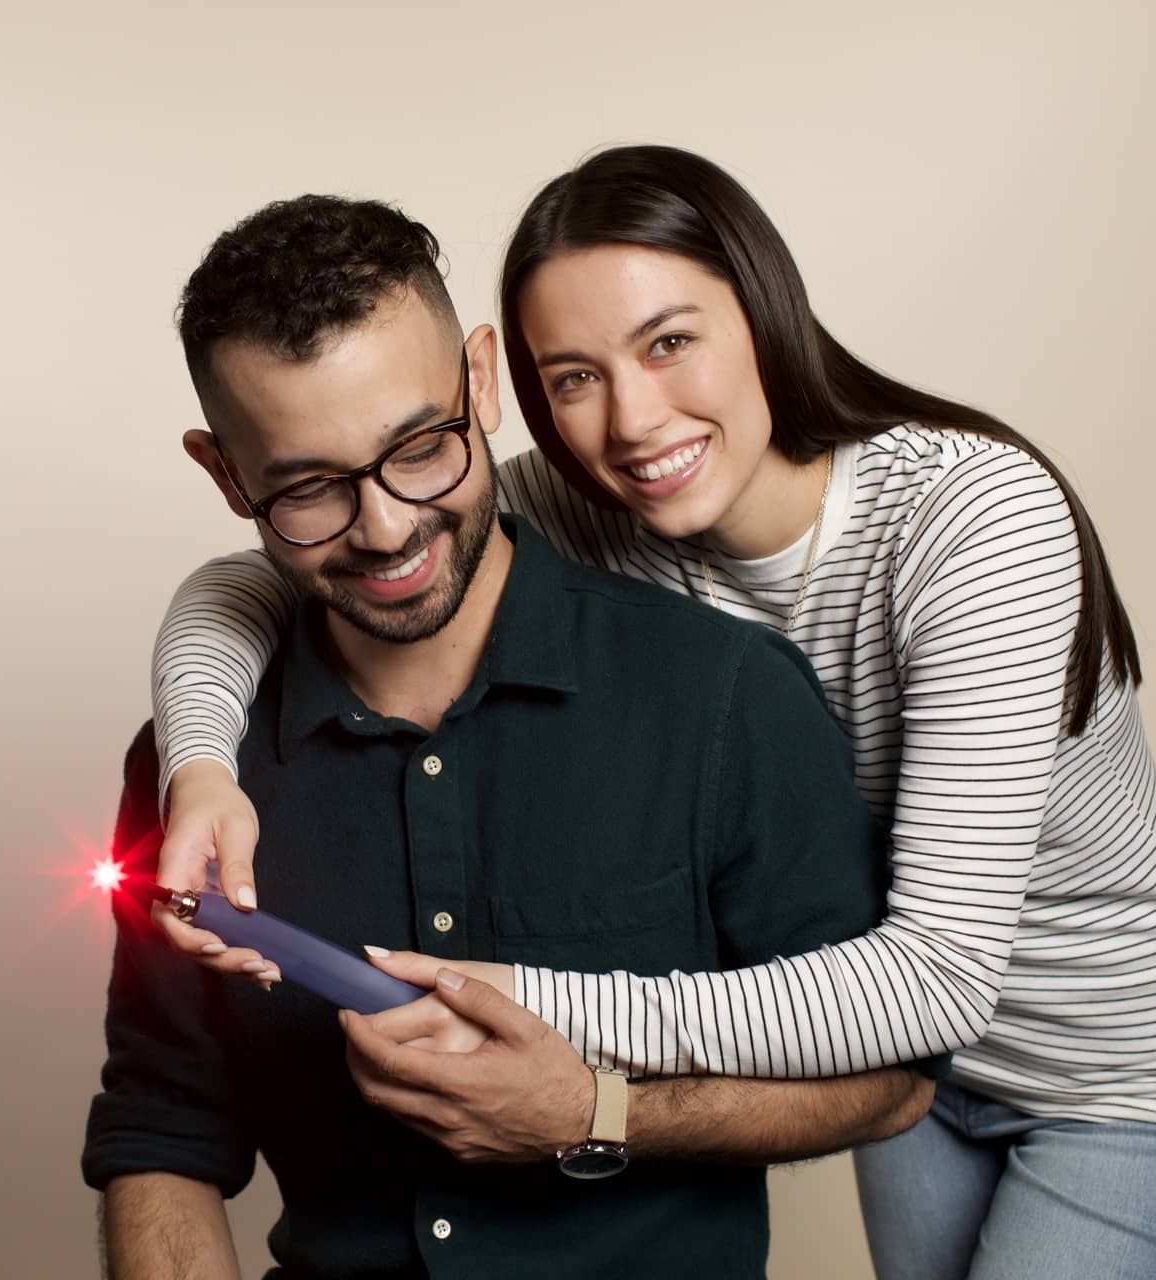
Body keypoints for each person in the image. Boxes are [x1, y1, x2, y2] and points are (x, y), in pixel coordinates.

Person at [144, 148, 1156, 1280]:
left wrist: (522, 1013)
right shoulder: (577, 495)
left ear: (765, 311)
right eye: (575, 376)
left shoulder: (972, 520)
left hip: (1120, 1066)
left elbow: (938, 976)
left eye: (670, 341)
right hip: (891, 1061)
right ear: (514, 388)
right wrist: (200, 763)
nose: (635, 419)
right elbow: (241, 585)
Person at [82, 194, 935, 1279]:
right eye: (306, 488)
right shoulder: (194, 769)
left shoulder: (724, 695)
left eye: (422, 447)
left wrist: (598, 1111)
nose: (387, 526)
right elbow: (164, 1127)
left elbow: (891, 1079)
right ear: (226, 474)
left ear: (483, 382)